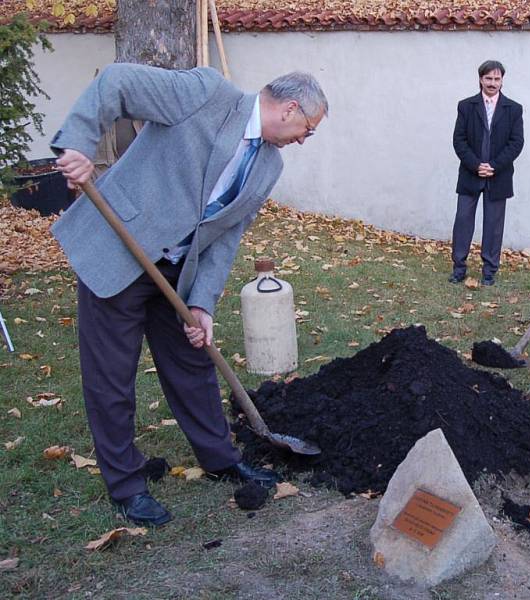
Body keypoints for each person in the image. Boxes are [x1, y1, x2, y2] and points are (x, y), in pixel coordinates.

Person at [52, 64, 328, 526]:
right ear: (290, 108)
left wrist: (201, 303)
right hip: (121, 247)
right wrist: (78, 143)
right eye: (308, 130)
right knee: (112, 376)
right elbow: (116, 82)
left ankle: (219, 457)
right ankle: (125, 484)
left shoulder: (268, 165)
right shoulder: (206, 93)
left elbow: (226, 237)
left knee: (193, 363)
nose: (304, 139)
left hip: (178, 271)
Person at [450, 60, 524, 286]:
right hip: (470, 174)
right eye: (489, 78)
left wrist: (494, 165)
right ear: (481, 79)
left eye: (497, 79)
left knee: (494, 224)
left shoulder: (513, 108)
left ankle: (489, 271)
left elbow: (516, 142)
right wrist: (475, 165)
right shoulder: (466, 106)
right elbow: (459, 140)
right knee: (463, 220)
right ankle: (459, 268)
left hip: (498, 176)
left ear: (502, 80)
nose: (493, 83)